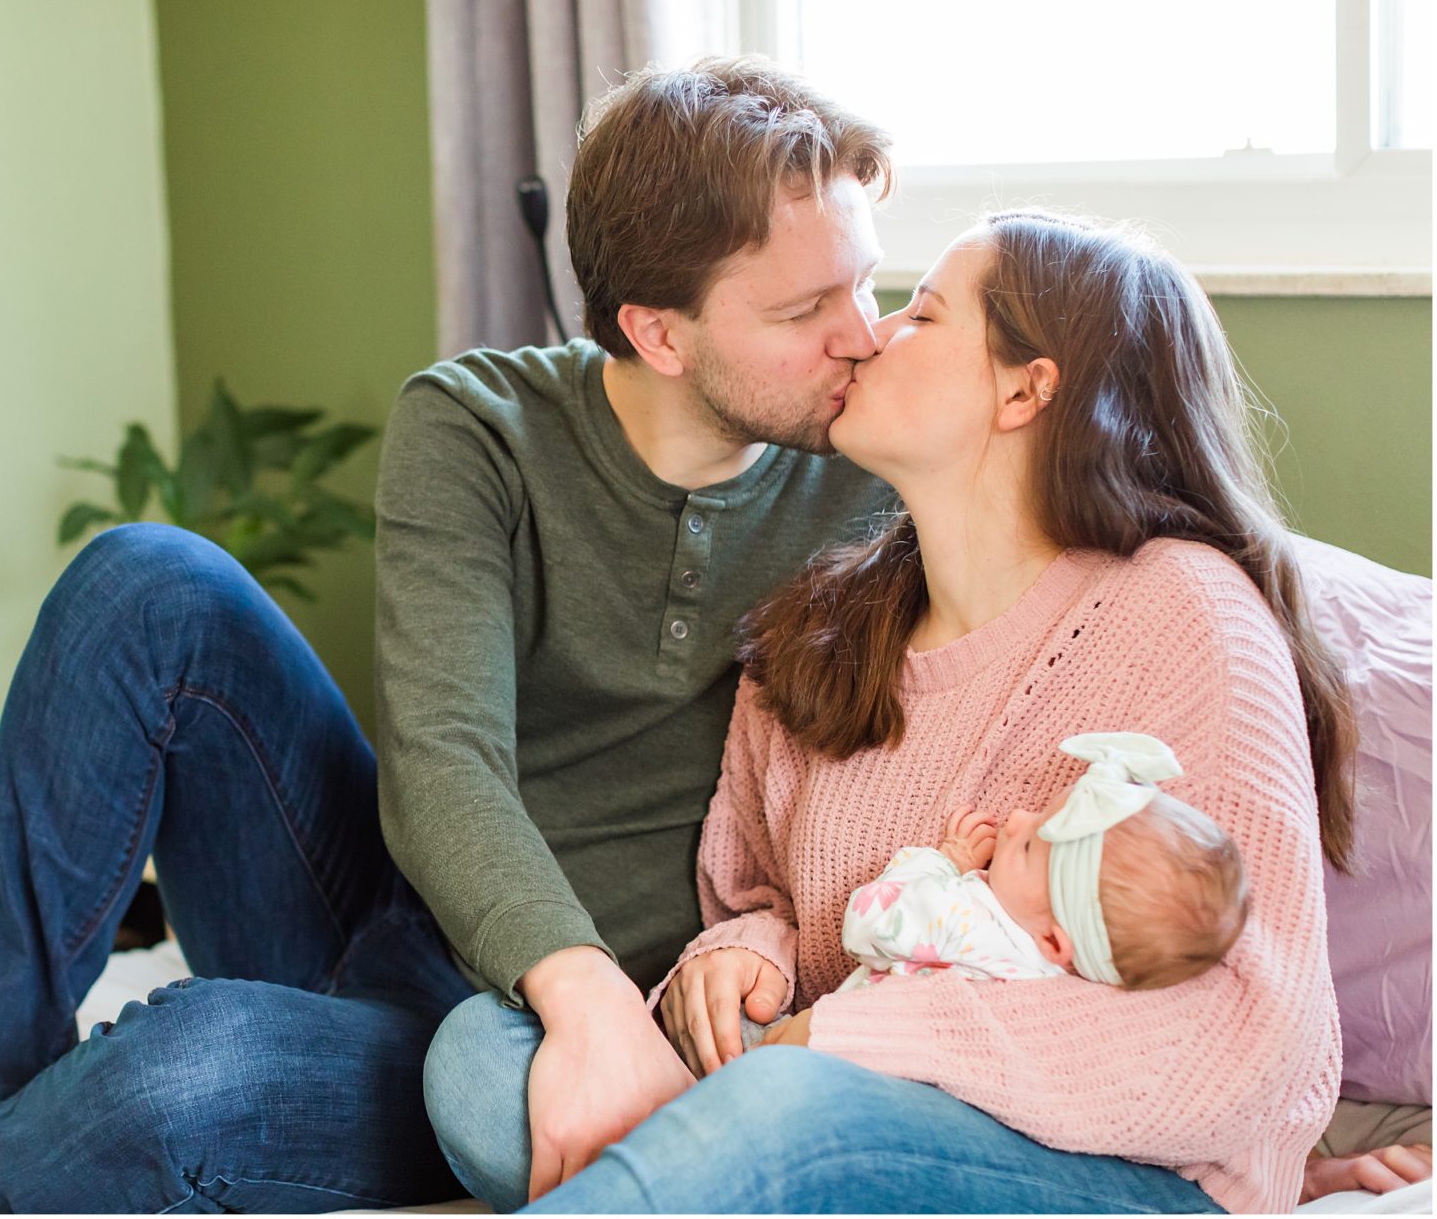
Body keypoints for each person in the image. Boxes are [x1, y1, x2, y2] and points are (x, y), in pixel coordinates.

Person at [0, 56, 900, 1211]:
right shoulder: (479, 427)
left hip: (502, 1047)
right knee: (148, 580)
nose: (861, 337)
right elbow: (444, 758)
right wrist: (578, 993)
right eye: (803, 311)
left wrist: (614, 1023)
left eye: (864, 281)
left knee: (182, 1075)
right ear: (655, 332)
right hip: (410, 925)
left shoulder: (883, 471)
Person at [433, 210, 1354, 1214]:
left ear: (1020, 388)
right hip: (833, 1099)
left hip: (1119, 1176)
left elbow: (1248, 1038)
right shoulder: (816, 633)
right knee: (481, 1063)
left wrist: (842, 1044)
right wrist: (743, 957)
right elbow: (768, 907)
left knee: (784, 1108)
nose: (869, 335)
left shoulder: (1181, 612)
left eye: (921, 312)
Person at [825, 733, 1248, 996]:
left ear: (1053, 941)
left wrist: (946, 860)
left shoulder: (964, 921)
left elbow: (866, 924)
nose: (1017, 820)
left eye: (1028, 846)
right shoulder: (1047, 981)